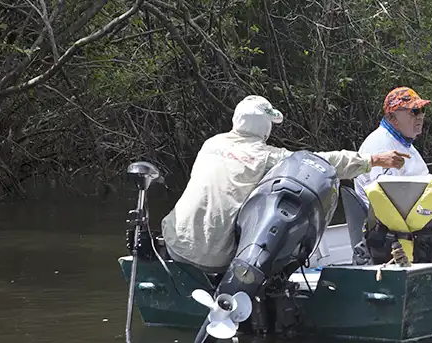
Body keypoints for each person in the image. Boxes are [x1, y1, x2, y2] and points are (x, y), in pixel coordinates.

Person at [161, 94, 409, 272]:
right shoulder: (266, 157)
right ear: (265, 126)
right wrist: (373, 160)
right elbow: (320, 162)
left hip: (175, 244)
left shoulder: (211, 144)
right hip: (216, 259)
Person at [355, 87, 432, 199]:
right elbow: (386, 198)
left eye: (423, 110)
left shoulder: (402, 141)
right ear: (392, 118)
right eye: (415, 111)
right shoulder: (381, 146)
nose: (421, 116)